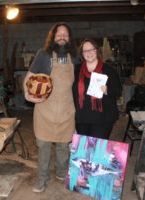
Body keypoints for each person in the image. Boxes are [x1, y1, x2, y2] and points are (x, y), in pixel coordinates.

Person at [23, 22, 77, 193]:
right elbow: (29, 77)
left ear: (69, 38)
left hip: (67, 111)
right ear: (53, 37)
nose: (62, 37)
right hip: (45, 111)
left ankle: (62, 173)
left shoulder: (74, 57)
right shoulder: (43, 55)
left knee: (63, 147)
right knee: (43, 146)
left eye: (65, 34)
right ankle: (42, 178)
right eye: (58, 34)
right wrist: (27, 94)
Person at [72, 39, 121, 140]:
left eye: (92, 50)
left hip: (103, 118)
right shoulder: (76, 70)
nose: (89, 53)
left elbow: (118, 91)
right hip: (82, 118)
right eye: (85, 51)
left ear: (97, 51)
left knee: (97, 150)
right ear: (82, 54)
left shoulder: (109, 70)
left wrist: (107, 90)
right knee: (84, 150)